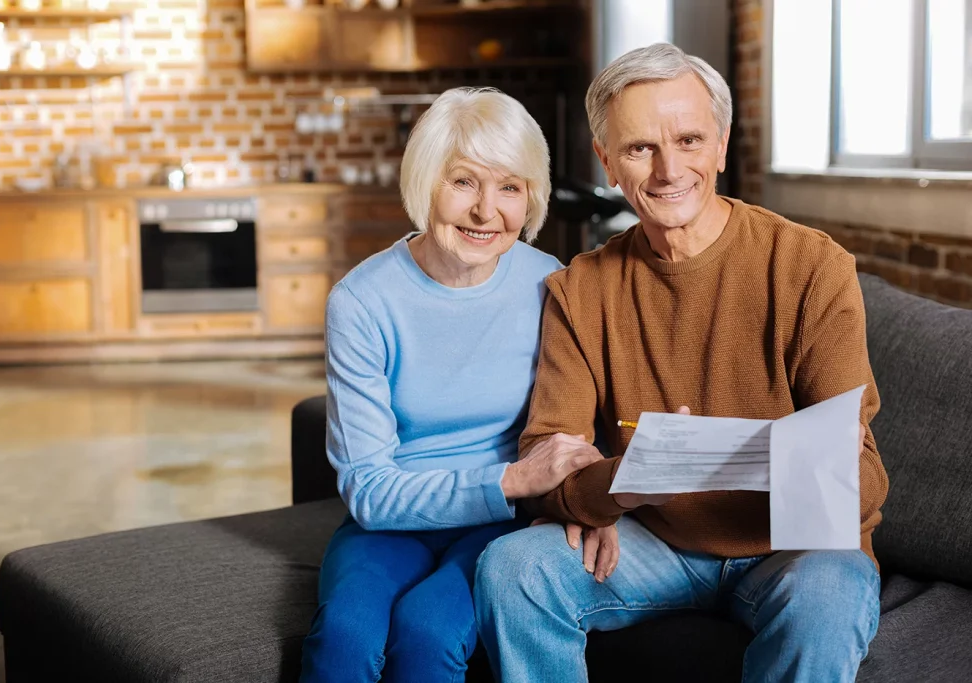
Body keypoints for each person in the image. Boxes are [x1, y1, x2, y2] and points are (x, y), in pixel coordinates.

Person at [474, 43, 889, 683]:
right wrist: (617, 489)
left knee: (829, 595)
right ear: (608, 163)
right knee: (513, 568)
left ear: (721, 146)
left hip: (792, 549)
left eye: (689, 140)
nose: (669, 169)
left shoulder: (812, 268)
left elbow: (864, 485)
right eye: (640, 148)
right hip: (649, 543)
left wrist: (778, 457)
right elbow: (548, 470)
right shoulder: (579, 290)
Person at [298, 87, 601, 683]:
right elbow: (370, 492)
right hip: (390, 523)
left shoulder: (552, 286)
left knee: (429, 632)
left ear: (530, 199)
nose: (486, 212)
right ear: (425, 182)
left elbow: (578, 422)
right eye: (463, 182)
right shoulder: (361, 301)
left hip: (502, 524)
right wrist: (512, 480)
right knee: (344, 639)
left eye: (509, 187)